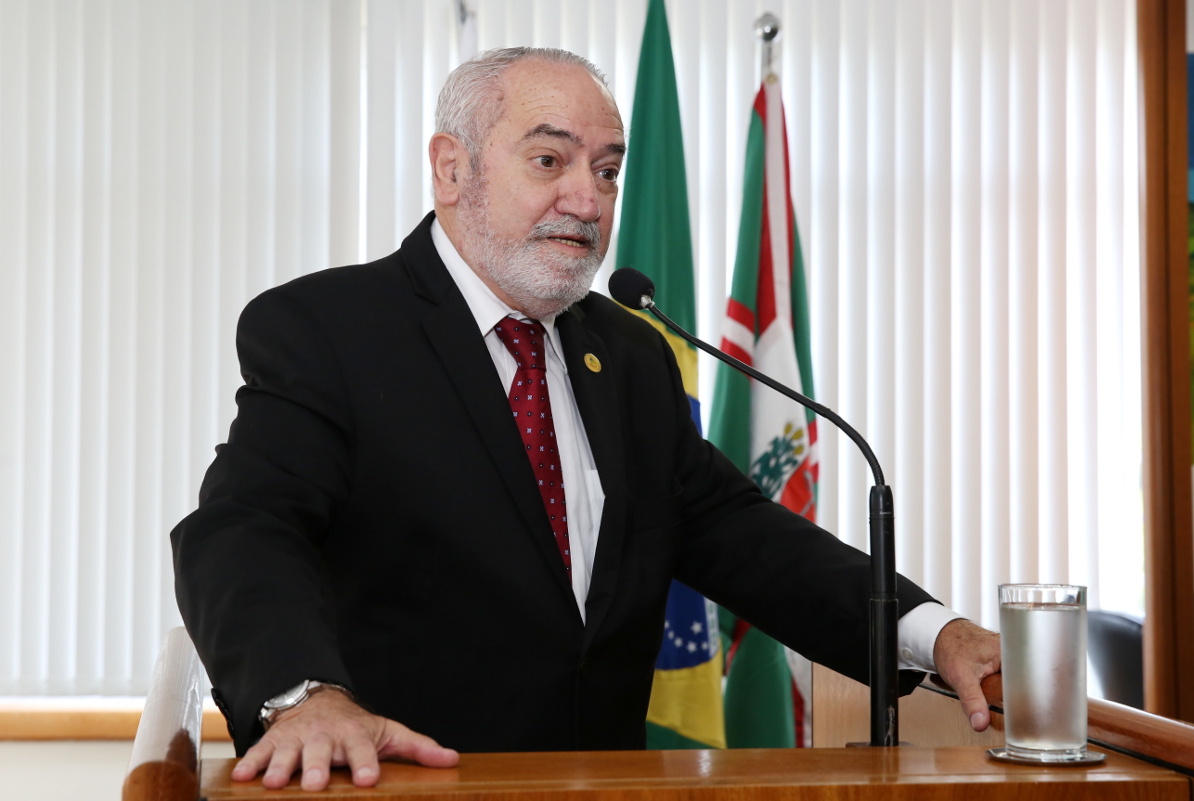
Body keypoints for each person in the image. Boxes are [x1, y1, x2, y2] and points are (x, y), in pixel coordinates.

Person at [171, 47, 1000, 793]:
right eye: (549, 159)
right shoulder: (332, 329)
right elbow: (245, 526)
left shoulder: (630, 354)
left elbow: (743, 534)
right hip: (404, 785)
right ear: (451, 168)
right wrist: (301, 697)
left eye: (607, 170)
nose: (588, 198)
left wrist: (933, 631)